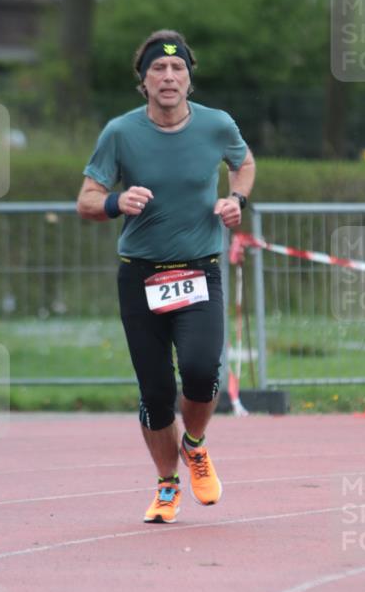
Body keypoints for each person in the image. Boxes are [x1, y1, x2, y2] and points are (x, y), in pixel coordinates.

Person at [77, 29, 255, 524]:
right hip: (141, 277)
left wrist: (235, 201)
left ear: (189, 80)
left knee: (201, 372)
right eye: (159, 69)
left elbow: (244, 164)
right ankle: (167, 484)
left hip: (200, 269)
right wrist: (116, 201)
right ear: (145, 81)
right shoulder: (120, 133)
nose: (169, 76)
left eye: (178, 69)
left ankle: (194, 446)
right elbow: (86, 200)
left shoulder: (217, 125)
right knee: (156, 392)